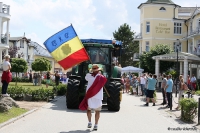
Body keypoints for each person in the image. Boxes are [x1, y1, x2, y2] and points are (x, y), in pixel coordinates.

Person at [79, 64, 107, 131]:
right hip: (94, 96)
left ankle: (92, 123)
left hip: (93, 96)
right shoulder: (100, 77)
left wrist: (92, 72)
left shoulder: (91, 76)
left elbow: (87, 77)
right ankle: (93, 123)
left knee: (92, 110)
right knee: (94, 110)